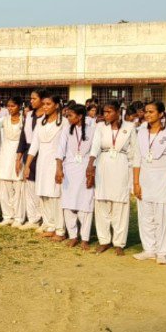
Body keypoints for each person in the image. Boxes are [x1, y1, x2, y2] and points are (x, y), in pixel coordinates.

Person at [87, 100, 139, 256]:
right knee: (101, 202)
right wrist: (90, 164)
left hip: (121, 165)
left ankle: (119, 242)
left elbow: (133, 151)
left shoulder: (129, 127)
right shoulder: (100, 126)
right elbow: (95, 146)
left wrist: (132, 173)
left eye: (109, 112)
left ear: (118, 112)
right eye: (104, 112)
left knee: (120, 204)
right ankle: (104, 240)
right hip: (103, 164)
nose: (106, 115)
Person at [132, 100, 166, 264]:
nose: (147, 115)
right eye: (146, 111)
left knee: (162, 216)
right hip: (145, 178)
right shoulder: (140, 132)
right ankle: (149, 249)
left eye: (151, 112)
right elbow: (137, 158)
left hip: (164, 179)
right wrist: (136, 183)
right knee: (146, 215)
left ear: (160, 114)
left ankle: (162, 252)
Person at [25, 94, 67, 240]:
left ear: (56, 105)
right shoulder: (40, 122)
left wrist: (60, 167)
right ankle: (49, 225)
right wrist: (27, 165)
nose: (45, 107)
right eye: (43, 104)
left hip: (56, 162)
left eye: (48, 104)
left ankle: (60, 229)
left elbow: (65, 145)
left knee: (55, 195)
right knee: (43, 194)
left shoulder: (64, 122)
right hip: (42, 162)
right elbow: (34, 145)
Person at [56, 104, 95, 249]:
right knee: (68, 203)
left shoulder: (92, 130)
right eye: (67, 115)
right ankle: (73, 236)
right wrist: (59, 169)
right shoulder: (66, 130)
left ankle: (85, 238)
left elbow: (94, 152)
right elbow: (60, 151)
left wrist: (91, 171)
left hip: (85, 170)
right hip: (69, 171)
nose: (67, 118)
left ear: (79, 116)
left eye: (70, 115)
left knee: (85, 203)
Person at [0, 96, 25, 227]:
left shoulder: (24, 120)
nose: (10, 108)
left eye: (13, 106)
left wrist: (20, 157)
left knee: (18, 186)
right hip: (5, 153)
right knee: (4, 185)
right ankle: (7, 216)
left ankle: (18, 217)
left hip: (18, 153)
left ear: (19, 106)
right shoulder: (5, 119)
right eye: (8, 106)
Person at [17, 89, 47, 230]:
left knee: (42, 187)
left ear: (42, 99)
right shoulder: (28, 115)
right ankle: (33, 218)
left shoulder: (48, 116)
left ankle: (45, 220)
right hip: (29, 152)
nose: (31, 101)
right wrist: (18, 157)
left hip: (43, 153)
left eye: (34, 98)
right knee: (29, 186)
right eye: (31, 98)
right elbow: (23, 137)